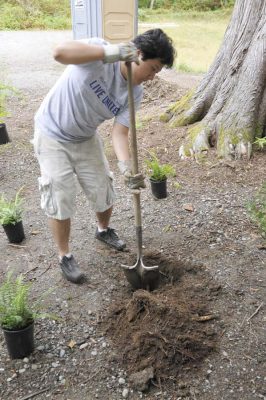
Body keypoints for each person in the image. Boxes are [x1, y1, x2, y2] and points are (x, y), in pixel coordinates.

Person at [33, 28, 176, 284]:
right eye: (153, 68)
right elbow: (59, 53)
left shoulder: (135, 92)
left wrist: (126, 166)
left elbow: (120, 133)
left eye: (157, 72)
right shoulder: (99, 53)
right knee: (60, 194)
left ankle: (103, 230)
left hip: (85, 137)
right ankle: (64, 255)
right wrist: (112, 52)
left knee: (103, 187)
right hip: (52, 134)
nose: (153, 77)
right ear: (138, 55)